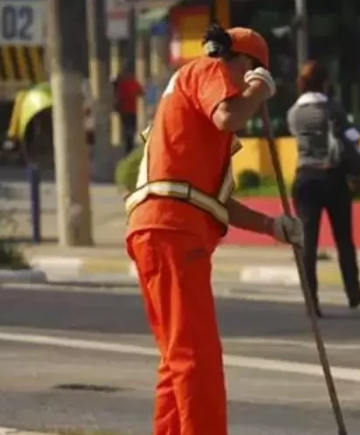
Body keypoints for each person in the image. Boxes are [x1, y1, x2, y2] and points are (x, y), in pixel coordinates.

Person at [124, 24, 304, 435]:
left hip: (159, 229)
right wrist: (259, 89)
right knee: (197, 357)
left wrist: (272, 226)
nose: (244, 88)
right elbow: (229, 116)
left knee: (177, 359)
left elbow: (212, 200)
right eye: (251, 74)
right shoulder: (209, 70)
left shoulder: (192, 114)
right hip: (173, 231)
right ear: (244, 63)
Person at [287, 60, 360, 318]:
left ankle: (311, 301)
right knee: (343, 238)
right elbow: (352, 138)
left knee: (308, 243)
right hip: (332, 177)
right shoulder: (332, 108)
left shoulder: (294, 112)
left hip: (305, 179)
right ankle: (353, 292)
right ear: (325, 82)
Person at [113, 64, 144, 155]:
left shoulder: (122, 84)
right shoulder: (132, 83)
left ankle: (128, 146)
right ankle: (129, 146)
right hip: (130, 110)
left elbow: (118, 96)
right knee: (131, 128)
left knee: (128, 128)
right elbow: (141, 92)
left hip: (125, 110)